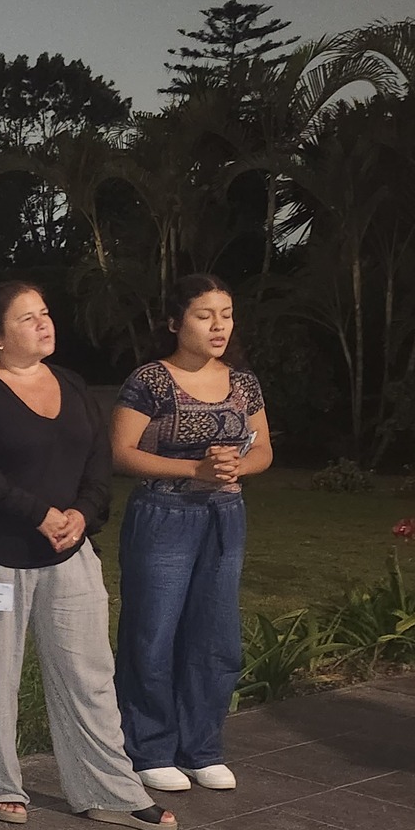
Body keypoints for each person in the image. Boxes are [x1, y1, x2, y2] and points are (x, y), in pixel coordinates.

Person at [0, 283, 177, 830]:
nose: (43, 324)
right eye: (27, 318)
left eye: (44, 313)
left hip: (70, 553)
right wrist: (37, 513)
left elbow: (98, 461)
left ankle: (108, 792)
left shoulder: (71, 384)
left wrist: (81, 514)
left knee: (89, 676)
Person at [111, 274, 273, 794]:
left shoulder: (243, 383)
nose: (218, 326)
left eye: (226, 314)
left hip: (224, 516)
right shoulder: (151, 381)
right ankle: (150, 747)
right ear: (175, 322)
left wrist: (236, 467)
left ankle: (201, 747)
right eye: (205, 315)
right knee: (153, 632)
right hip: (164, 515)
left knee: (215, 634)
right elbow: (122, 452)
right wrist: (193, 471)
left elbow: (264, 450)